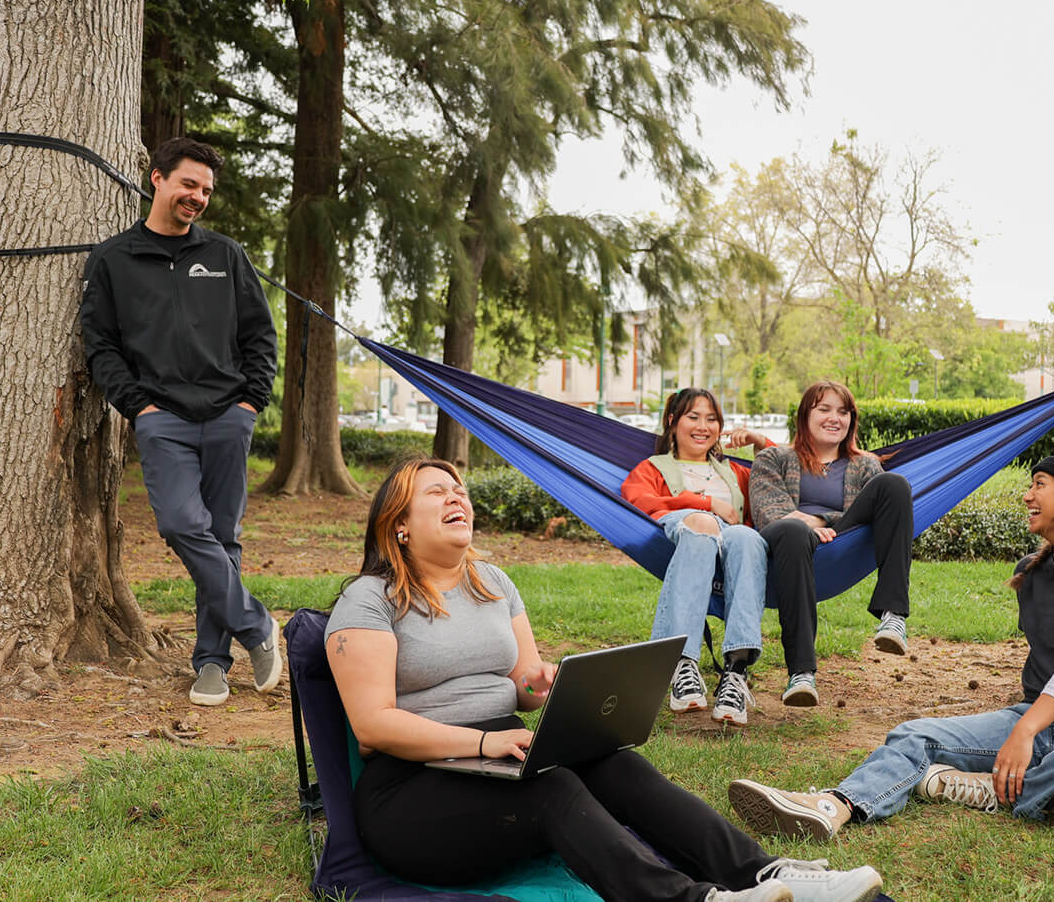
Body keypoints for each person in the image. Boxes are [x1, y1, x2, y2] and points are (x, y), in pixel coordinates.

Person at [324, 457, 883, 902]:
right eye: (436, 491)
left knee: (613, 760)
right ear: (398, 524)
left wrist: (543, 686)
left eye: (459, 489)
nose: (456, 497)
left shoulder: (493, 583)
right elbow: (374, 727)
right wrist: (485, 742)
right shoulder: (369, 599)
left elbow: (522, 683)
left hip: (499, 760)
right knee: (552, 785)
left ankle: (768, 873)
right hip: (412, 795)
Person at [728, 453, 1054, 835]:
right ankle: (835, 805)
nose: (1027, 496)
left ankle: (995, 789)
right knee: (914, 736)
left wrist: (1025, 730)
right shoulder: (1031, 571)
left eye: (1039, 485)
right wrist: (1027, 726)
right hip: (1035, 722)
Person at [80, 137, 280, 707]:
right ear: (157, 179)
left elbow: (259, 337)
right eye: (189, 184)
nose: (198, 197)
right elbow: (101, 346)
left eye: (207, 190)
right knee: (179, 524)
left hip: (228, 418)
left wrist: (249, 404)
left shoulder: (225, 255)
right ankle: (255, 626)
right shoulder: (113, 260)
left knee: (222, 538)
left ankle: (212, 664)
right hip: (161, 419)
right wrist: (138, 406)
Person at [748, 381, 914, 707]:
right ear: (805, 415)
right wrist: (804, 525)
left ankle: (894, 615)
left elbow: (877, 514)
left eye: (843, 411)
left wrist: (822, 520)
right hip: (786, 545)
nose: (834, 418)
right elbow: (771, 514)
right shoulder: (773, 458)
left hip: (838, 543)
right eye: (823, 409)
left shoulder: (865, 466)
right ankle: (801, 673)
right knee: (795, 531)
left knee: (894, 484)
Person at [621, 388, 772, 725]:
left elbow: (788, 471)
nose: (703, 426)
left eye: (712, 419)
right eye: (693, 417)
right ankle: (681, 663)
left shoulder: (734, 472)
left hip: (732, 543)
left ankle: (736, 669)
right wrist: (706, 504)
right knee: (703, 525)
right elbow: (637, 499)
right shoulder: (655, 468)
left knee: (749, 538)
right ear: (673, 421)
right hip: (686, 530)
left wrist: (757, 438)